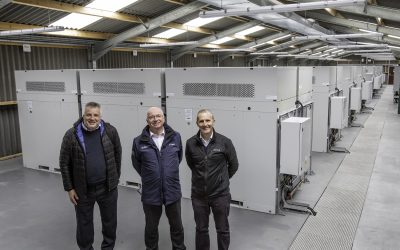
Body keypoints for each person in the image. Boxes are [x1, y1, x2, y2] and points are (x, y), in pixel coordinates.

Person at [59, 102, 122, 250]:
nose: (92, 118)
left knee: (110, 223)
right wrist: (70, 188)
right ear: (83, 115)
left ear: (100, 116)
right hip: (83, 190)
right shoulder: (71, 135)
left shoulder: (110, 131)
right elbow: (64, 163)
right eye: (89, 114)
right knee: (84, 225)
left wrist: (115, 179)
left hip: (108, 188)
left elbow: (117, 155)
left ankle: (108, 247)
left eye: (95, 115)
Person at [131, 107, 186, 250]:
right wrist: (151, 175)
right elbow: (137, 163)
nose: (155, 119)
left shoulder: (176, 137)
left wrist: (166, 173)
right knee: (151, 228)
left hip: (172, 190)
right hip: (150, 192)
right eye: (151, 117)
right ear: (147, 120)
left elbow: (178, 158)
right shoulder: (138, 141)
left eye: (158, 116)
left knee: (177, 226)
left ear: (164, 118)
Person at [185, 109, 239, 250]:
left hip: (220, 195)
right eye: (201, 121)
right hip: (199, 196)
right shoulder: (190, 143)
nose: (205, 124)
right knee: (201, 229)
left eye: (207, 120)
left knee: (222, 229)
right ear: (197, 123)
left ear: (213, 121)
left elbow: (234, 165)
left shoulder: (225, 142)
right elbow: (192, 164)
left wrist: (222, 179)